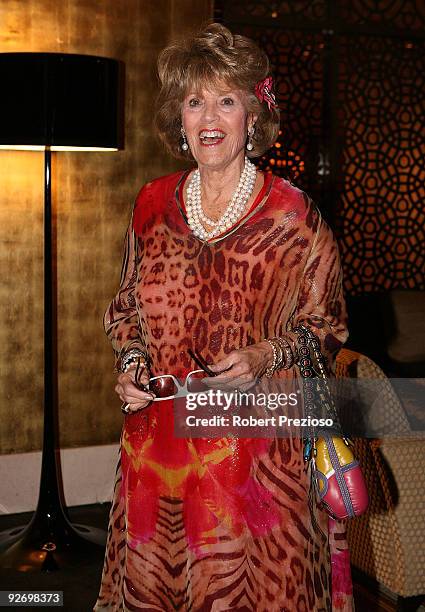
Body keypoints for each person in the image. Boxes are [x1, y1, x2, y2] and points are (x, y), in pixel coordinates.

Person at [94, 23, 352, 612]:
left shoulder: (292, 216)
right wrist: (133, 365)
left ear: (253, 117)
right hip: (158, 453)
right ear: (179, 120)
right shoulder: (151, 205)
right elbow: (128, 308)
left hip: (258, 457)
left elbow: (328, 326)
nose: (209, 115)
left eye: (226, 100)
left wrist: (265, 355)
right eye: (194, 100)